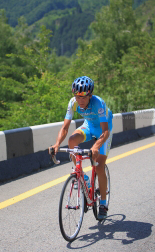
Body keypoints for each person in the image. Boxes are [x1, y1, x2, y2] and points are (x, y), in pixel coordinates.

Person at [50, 76, 113, 220]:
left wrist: (96, 146)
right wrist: (57, 144)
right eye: (77, 96)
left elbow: (105, 131)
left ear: (90, 95)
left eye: (83, 97)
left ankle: (103, 203)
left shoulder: (99, 103)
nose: (80, 100)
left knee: (99, 167)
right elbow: (65, 128)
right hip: (89, 125)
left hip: (104, 129)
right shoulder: (73, 103)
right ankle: (82, 176)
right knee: (72, 140)